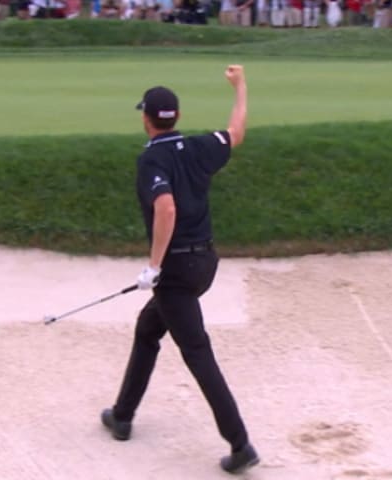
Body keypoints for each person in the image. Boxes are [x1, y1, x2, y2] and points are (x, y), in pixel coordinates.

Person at [101, 65, 259, 475]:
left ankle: (240, 444)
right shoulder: (199, 146)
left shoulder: (151, 159)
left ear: (146, 118)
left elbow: (166, 208)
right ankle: (122, 415)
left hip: (175, 273)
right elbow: (236, 132)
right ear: (177, 117)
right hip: (205, 263)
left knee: (197, 352)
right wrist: (240, 87)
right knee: (148, 329)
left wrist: (154, 267)